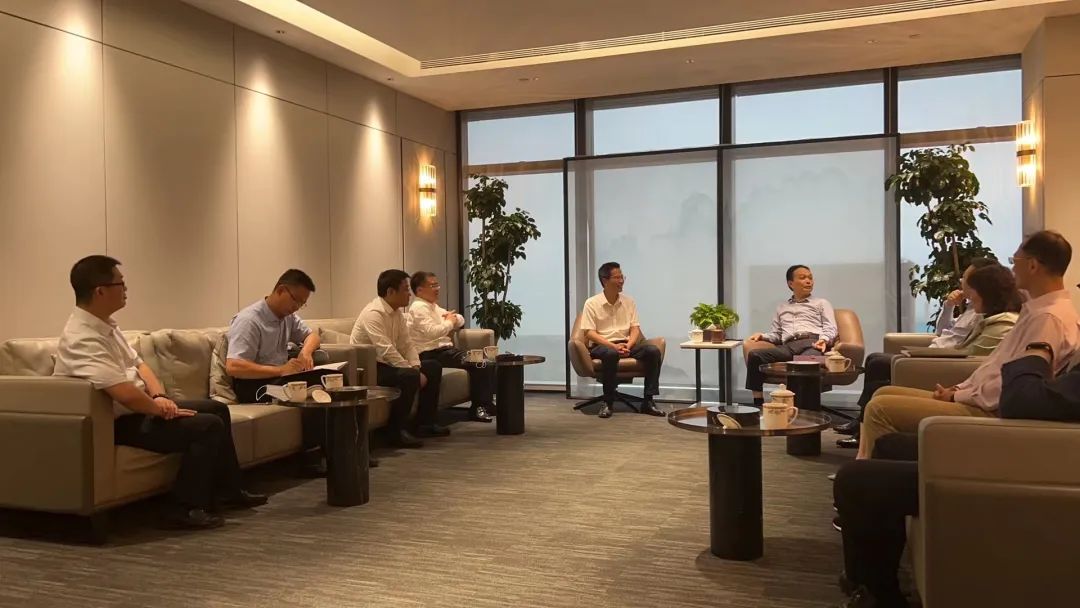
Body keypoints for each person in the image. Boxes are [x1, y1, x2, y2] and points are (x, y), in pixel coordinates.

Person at [833, 343, 1080, 608]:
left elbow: (1024, 401)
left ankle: (875, 594)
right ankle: (878, 585)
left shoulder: (1050, 327)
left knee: (854, 480)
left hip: (1036, 461)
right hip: (1037, 447)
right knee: (888, 446)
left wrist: (1037, 352)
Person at [54, 256, 266, 530]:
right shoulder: (81, 338)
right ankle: (185, 507)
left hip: (139, 409)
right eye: (121, 284)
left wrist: (159, 397)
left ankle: (229, 490)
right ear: (100, 291)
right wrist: (160, 410)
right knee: (207, 426)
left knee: (216, 408)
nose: (126, 290)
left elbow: (140, 365)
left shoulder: (106, 326)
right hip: (114, 423)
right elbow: (123, 393)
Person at [856, 230, 1080, 459]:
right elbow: (996, 367)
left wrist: (957, 397)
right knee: (883, 392)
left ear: (1032, 266)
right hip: (979, 399)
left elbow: (1013, 387)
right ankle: (869, 466)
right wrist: (959, 389)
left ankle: (874, 473)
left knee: (880, 408)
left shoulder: (1048, 319)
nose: (1012, 269)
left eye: (1015, 261)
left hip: (989, 410)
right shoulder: (1038, 311)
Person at [836, 262, 1020, 449]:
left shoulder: (997, 322)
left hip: (941, 362)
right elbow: (944, 333)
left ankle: (864, 438)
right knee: (878, 378)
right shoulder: (975, 310)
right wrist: (948, 306)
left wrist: (954, 393)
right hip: (941, 360)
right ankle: (864, 433)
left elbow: (974, 361)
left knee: (878, 373)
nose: (963, 283)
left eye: (967, 279)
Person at [226, 269, 332, 474]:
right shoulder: (249, 320)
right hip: (254, 386)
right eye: (296, 301)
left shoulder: (287, 317)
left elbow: (312, 336)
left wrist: (305, 352)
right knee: (313, 386)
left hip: (280, 378)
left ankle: (345, 447)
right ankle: (311, 457)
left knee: (332, 378)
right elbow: (234, 366)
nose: (297, 307)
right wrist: (279, 370)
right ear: (281, 290)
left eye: (302, 304)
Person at [353, 269, 447, 447]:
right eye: (405, 290)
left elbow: (407, 344)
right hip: (370, 368)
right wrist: (411, 371)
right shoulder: (373, 314)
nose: (409, 294)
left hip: (388, 364)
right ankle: (395, 432)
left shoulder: (397, 313)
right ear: (390, 292)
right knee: (409, 376)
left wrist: (416, 366)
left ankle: (425, 424)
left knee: (433, 366)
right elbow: (386, 350)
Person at [579, 262, 664, 419]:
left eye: (622, 277)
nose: (621, 281)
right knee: (611, 354)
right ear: (605, 280)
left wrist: (628, 345)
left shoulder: (629, 302)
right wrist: (613, 346)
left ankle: (648, 401)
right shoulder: (591, 303)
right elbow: (589, 333)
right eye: (617, 277)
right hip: (603, 345)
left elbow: (635, 329)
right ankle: (608, 402)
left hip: (626, 343)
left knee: (653, 351)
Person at [744, 265, 837, 405]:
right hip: (788, 346)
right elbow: (777, 334)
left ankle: (801, 406)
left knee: (804, 362)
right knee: (755, 355)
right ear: (791, 283)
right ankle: (758, 402)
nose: (808, 281)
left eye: (810, 278)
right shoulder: (781, 307)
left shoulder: (821, 303)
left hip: (812, 342)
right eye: (803, 277)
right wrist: (762, 336)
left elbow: (831, 327)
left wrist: (824, 339)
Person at [408, 271, 494, 423]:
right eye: (433, 285)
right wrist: (449, 322)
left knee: (484, 361)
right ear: (419, 290)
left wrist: (450, 320)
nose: (437, 289)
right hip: (430, 353)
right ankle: (479, 408)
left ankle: (485, 405)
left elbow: (459, 319)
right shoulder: (419, 307)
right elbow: (432, 332)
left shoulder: (432, 306)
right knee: (480, 363)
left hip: (444, 352)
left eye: (437, 285)